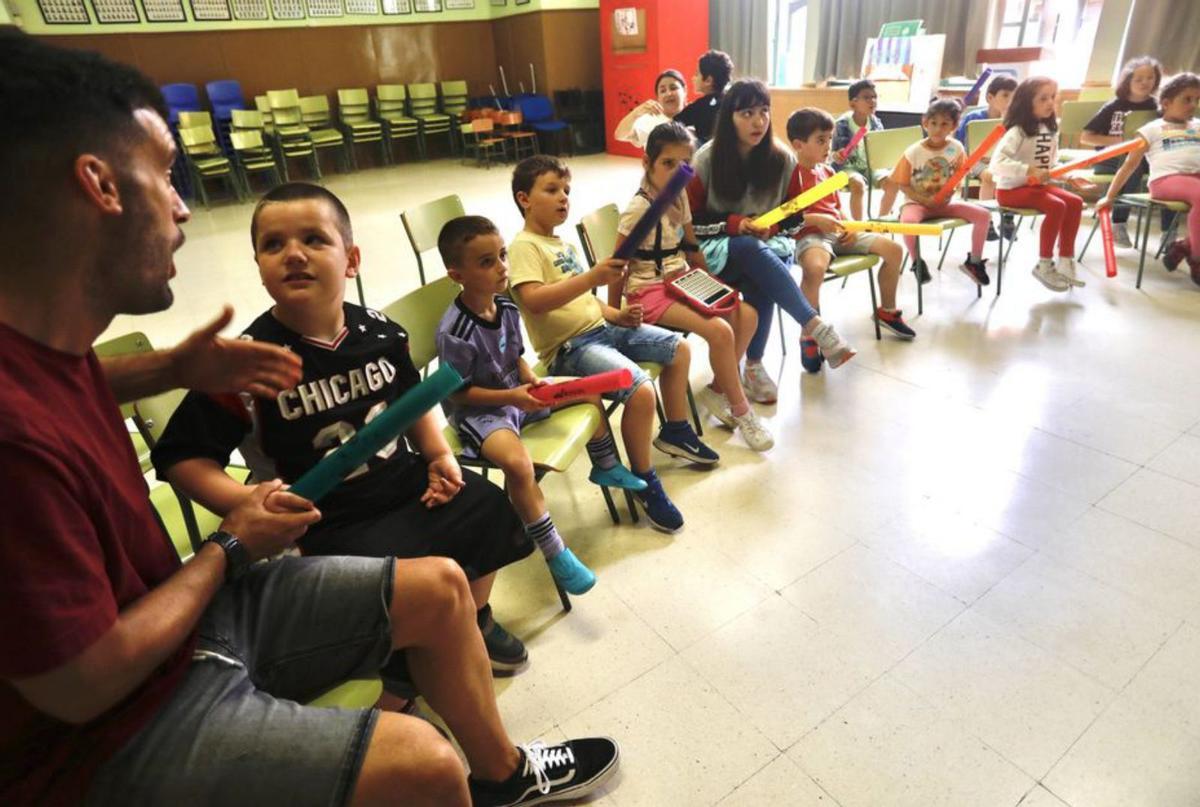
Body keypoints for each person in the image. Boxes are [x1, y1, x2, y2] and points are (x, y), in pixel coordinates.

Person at [0, 30, 619, 807]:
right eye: (164, 173)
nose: (186, 207)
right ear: (98, 184)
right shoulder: (14, 442)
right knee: (424, 764)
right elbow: (81, 686)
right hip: (114, 725)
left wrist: (167, 367)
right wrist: (232, 542)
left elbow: (72, 378)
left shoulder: (42, 348)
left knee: (442, 589)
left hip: (182, 619)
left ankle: (502, 775)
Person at [152, 182, 536, 676]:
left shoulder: (381, 332)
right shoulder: (246, 361)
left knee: (484, 506)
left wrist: (438, 452)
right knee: (395, 578)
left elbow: (410, 399)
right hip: (323, 519)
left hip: (403, 484)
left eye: (314, 240)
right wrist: (245, 507)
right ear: (259, 267)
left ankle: (475, 619)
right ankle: (408, 656)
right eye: (274, 245)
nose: (294, 254)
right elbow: (182, 457)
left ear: (352, 259)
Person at [435, 214, 649, 595]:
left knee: (586, 391)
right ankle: (555, 551)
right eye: (487, 262)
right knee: (518, 465)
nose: (502, 267)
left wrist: (529, 379)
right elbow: (456, 394)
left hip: (517, 393)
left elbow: (515, 355)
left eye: (502, 256)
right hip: (481, 412)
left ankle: (606, 466)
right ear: (457, 275)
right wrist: (513, 397)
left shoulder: (507, 307)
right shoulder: (456, 331)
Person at [507, 154, 712, 534]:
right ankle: (645, 479)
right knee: (640, 391)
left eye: (566, 190)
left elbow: (581, 300)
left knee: (678, 349)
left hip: (602, 329)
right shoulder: (524, 247)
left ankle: (677, 430)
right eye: (551, 190)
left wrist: (616, 315)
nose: (563, 197)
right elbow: (534, 300)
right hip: (571, 350)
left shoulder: (560, 243)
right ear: (524, 199)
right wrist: (591, 277)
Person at [687, 79, 855, 403]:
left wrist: (773, 226)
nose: (758, 121)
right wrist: (736, 224)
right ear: (729, 117)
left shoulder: (782, 159)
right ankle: (814, 327)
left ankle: (751, 366)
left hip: (765, 250)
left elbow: (794, 217)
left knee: (761, 262)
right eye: (747, 113)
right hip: (711, 249)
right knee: (751, 250)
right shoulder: (706, 160)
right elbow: (689, 224)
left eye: (764, 111)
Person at [610, 121, 773, 451]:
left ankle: (717, 392)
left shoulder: (679, 195)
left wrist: (711, 283)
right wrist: (614, 316)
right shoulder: (639, 208)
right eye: (668, 163)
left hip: (680, 279)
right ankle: (742, 411)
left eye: (684, 164)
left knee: (748, 316)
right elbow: (617, 266)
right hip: (648, 289)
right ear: (647, 164)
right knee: (721, 331)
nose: (677, 171)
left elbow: (691, 246)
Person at [787, 107, 907, 370]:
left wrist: (849, 226)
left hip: (839, 232)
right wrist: (815, 220)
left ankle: (887, 310)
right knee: (815, 268)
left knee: (894, 250)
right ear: (798, 144)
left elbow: (837, 207)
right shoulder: (789, 174)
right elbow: (785, 216)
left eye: (829, 139)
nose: (828, 145)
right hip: (810, 235)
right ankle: (809, 333)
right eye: (821, 140)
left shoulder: (828, 172)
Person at [992, 76, 1093, 292]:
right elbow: (997, 163)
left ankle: (1066, 260)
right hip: (1011, 190)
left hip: (1036, 188)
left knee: (1074, 202)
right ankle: (1044, 264)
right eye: (1043, 98)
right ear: (1027, 102)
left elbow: (1051, 165)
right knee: (1057, 205)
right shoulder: (1017, 131)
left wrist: (1068, 176)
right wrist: (1028, 170)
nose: (1050, 103)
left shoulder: (1050, 130)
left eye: (1053, 98)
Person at [1097, 72, 1200, 284]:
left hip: (1195, 177)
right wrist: (1109, 196)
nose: (1193, 105)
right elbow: (1129, 165)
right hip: (1166, 180)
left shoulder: (1197, 125)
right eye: (1187, 99)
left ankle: (1185, 245)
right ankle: (1197, 258)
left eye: (1197, 100)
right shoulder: (1151, 129)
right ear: (1166, 103)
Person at [891, 98, 994, 288]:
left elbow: (959, 175)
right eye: (934, 123)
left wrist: (950, 192)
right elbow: (902, 185)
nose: (938, 129)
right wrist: (923, 199)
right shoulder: (913, 152)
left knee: (984, 215)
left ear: (953, 126)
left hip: (945, 204)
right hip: (917, 204)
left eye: (945, 124)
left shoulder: (956, 149)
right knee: (908, 223)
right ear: (925, 123)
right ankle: (917, 262)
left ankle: (974, 262)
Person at [1082, 56, 1163, 247]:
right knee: (1134, 167)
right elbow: (1086, 137)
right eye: (1139, 79)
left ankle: (1169, 232)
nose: (1145, 83)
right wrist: (1119, 141)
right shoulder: (1114, 106)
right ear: (1128, 81)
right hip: (1108, 158)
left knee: (1147, 164)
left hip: (1142, 157)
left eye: (1150, 78)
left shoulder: (1156, 107)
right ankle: (1119, 223)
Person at [956, 74, 1018, 239]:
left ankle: (1008, 218)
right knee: (989, 176)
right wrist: (978, 157)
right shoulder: (973, 118)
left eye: (1014, 97)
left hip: (1001, 162)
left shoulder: (1014, 122)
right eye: (1005, 95)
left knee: (1015, 176)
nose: (1010, 101)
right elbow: (959, 144)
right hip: (974, 161)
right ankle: (987, 220)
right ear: (990, 97)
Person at [830, 79, 887, 220]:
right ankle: (858, 226)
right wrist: (838, 155)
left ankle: (881, 221)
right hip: (848, 167)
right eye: (867, 97)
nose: (872, 101)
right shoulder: (843, 124)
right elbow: (837, 153)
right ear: (852, 103)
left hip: (871, 166)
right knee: (858, 184)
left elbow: (880, 149)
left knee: (892, 182)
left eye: (874, 97)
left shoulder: (876, 123)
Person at [614, 68, 688, 149]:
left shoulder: (696, 114)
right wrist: (636, 113)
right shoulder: (650, 120)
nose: (668, 93)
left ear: (685, 90)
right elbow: (620, 135)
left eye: (673, 88)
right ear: (658, 97)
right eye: (663, 91)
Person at [674, 49, 734, 143]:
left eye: (697, 74)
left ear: (708, 81)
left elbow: (675, 124)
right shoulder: (731, 100)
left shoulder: (699, 106)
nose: (693, 78)